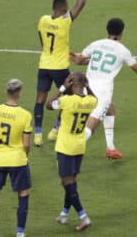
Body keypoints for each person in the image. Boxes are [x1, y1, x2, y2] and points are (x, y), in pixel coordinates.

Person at [70, 18, 137, 159]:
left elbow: (78, 60)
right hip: (102, 92)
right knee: (90, 127)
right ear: (121, 33)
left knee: (110, 110)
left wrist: (71, 54)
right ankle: (67, 153)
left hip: (86, 87)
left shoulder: (96, 44)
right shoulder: (123, 51)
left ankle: (111, 148)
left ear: (107, 30)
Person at [33, 0, 88, 146]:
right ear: (64, 8)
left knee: (40, 99)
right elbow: (80, 4)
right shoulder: (65, 22)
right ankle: (55, 130)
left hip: (44, 65)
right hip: (59, 68)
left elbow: (43, 42)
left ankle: (38, 135)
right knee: (69, 97)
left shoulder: (43, 20)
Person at [46, 72, 97, 231]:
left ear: (71, 83)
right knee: (71, 182)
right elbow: (95, 98)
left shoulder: (66, 100)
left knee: (67, 182)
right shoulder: (91, 101)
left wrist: (62, 88)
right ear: (85, 83)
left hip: (65, 147)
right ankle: (64, 213)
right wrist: (88, 87)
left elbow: (49, 104)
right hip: (79, 145)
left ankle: (83, 216)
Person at [0, 79, 33, 237]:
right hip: (18, 160)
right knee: (23, 195)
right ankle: (20, 233)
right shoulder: (25, 115)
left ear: (6, 92)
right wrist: (25, 155)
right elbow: (26, 143)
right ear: (20, 93)